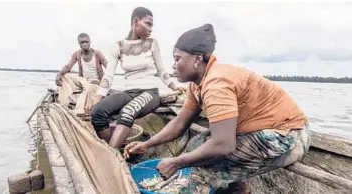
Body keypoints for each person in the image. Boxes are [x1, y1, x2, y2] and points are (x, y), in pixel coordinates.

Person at [124, 24, 311, 194]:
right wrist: (147, 145)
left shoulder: (216, 83)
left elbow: (224, 144)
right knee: (196, 144)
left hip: (288, 136)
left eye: (177, 59)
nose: (173, 65)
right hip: (259, 132)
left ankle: (224, 187)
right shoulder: (197, 84)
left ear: (197, 59)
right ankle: (238, 190)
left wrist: (175, 162)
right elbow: (180, 123)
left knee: (201, 172)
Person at [91, 7, 183, 149]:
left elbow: (161, 70)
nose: (151, 29)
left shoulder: (152, 43)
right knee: (97, 112)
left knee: (127, 112)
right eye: (148, 24)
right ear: (136, 21)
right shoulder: (118, 46)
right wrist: (98, 98)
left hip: (149, 92)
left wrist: (174, 87)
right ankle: (116, 151)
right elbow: (108, 76)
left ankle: (112, 157)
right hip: (128, 92)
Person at [56, 33, 108, 115]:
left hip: (95, 81)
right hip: (82, 80)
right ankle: (64, 104)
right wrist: (59, 74)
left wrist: (104, 82)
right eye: (82, 42)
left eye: (86, 42)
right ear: (79, 43)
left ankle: (79, 110)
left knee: (89, 89)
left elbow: (108, 67)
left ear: (90, 42)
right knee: (63, 77)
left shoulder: (97, 53)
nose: (84, 44)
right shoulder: (77, 54)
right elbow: (68, 66)